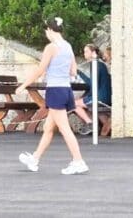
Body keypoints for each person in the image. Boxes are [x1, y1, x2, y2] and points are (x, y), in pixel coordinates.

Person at [16, 17, 89, 175]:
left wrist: (23, 85)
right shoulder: (68, 46)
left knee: (64, 129)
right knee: (48, 127)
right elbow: (73, 71)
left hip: (55, 90)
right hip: (66, 90)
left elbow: (40, 70)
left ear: (49, 30)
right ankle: (35, 158)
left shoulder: (51, 47)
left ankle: (78, 161)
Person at [73, 43, 111, 136]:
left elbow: (93, 84)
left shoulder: (96, 64)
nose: (84, 54)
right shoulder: (99, 64)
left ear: (93, 52)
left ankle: (90, 124)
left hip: (99, 98)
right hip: (105, 97)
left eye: (86, 51)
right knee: (96, 110)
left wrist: (79, 72)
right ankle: (103, 127)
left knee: (72, 104)